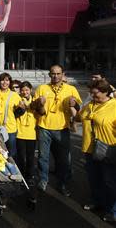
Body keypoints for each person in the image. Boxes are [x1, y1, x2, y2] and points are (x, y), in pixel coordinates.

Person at [33, 64, 82, 196]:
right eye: (53, 73)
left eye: (58, 73)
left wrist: (74, 104)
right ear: (49, 74)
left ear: (62, 74)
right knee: (43, 157)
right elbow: (35, 108)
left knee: (63, 159)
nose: (55, 76)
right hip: (44, 127)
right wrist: (39, 103)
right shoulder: (42, 88)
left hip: (62, 128)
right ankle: (43, 180)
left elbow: (78, 109)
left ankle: (62, 183)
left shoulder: (70, 89)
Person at [73, 79, 116, 223]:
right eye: (91, 93)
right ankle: (97, 201)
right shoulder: (90, 105)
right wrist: (74, 108)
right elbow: (79, 117)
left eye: (96, 94)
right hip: (89, 149)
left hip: (107, 150)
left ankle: (112, 210)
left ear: (106, 92)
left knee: (109, 182)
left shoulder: (114, 106)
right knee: (94, 179)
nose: (92, 96)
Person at [0, 72, 25, 159]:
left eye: (7, 80)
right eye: (2, 80)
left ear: (10, 82)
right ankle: (1, 171)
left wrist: (22, 108)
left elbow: (20, 112)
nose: (4, 82)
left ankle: (12, 171)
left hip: (9, 129)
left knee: (11, 154)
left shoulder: (14, 95)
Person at [15, 81, 37, 185]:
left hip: (32, 133)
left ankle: (30, 176)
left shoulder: (35, 101)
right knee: (21, 156)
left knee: (30, 157)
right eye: (22, 90)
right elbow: (15, 114)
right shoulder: (18, 100)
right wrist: (20, 108)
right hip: (20, 133)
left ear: (31, 90)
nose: (24, 92)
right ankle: (21, 175)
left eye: (27, 90)